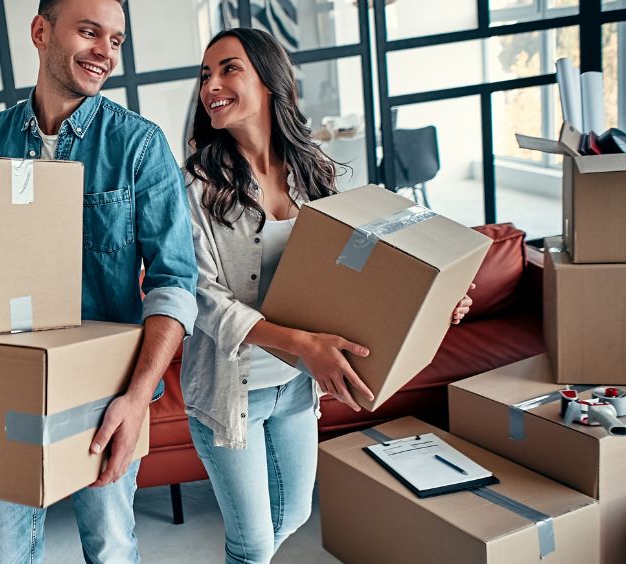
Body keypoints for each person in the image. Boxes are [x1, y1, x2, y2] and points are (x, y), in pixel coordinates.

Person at [181, 27, 474, 564]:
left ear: (269, 82)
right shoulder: (196, 186)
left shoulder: (311, 173)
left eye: (228, 69)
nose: (211, 86)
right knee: (251, 545)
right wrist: (302, 343)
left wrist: (433, 302)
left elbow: (360, 273)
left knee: (291, 515)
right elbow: (202, 297)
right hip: (229, 390)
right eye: (205, 75)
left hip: (295, 385)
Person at [0, 0, 198, 563]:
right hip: (3, 390)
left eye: (115, 41)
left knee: (112, 550)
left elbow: (174, 283)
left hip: (104, 394)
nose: (104, 53)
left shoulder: (139, 146)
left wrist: (138, 398)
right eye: (90, 32)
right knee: (2, 557)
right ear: (41, 32)